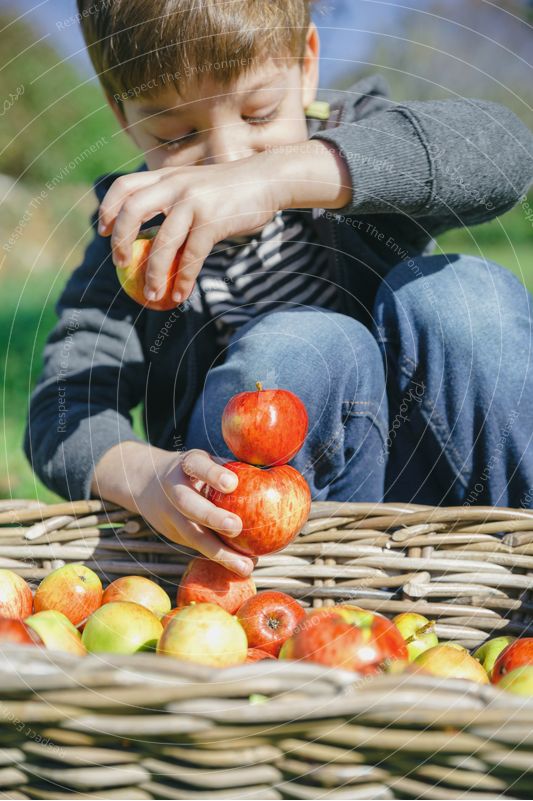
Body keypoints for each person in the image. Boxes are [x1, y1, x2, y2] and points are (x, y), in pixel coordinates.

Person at [25, 0, 533, 577]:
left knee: (463, 292)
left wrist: (279, 177)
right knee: (307, 341)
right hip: (265, 540)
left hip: (428, 495)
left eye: (261, 113)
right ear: (125, 118)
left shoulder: (356, 142)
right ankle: (292, 597)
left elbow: (503, 148)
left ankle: (517, 572)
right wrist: (143, 474)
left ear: (306, 65)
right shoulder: (132, 234)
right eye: (178, 133)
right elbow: (62, 409)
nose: (227, 158)